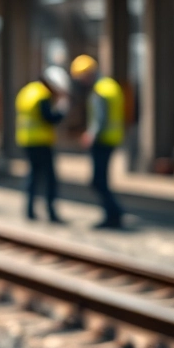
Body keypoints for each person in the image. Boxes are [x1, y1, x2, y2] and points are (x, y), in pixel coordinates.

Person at [71, 55, 126, 228]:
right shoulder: (111, 86)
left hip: (102, 140)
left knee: (98, 181)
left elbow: (99, 119)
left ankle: (114, 213)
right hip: (113, 138)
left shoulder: (99, 90)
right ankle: (113, 213)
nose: (82, 82)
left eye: (81, 78)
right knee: (101, 180)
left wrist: (90, 135)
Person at [15, 65, 71, 223]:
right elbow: (49, 119)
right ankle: (51, 212)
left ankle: (29, 211)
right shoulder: (42, 95)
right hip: (41, 142)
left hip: (26, 140)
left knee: (33, 175)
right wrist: (61, 110)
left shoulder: (27, 91)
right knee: (49, 178)